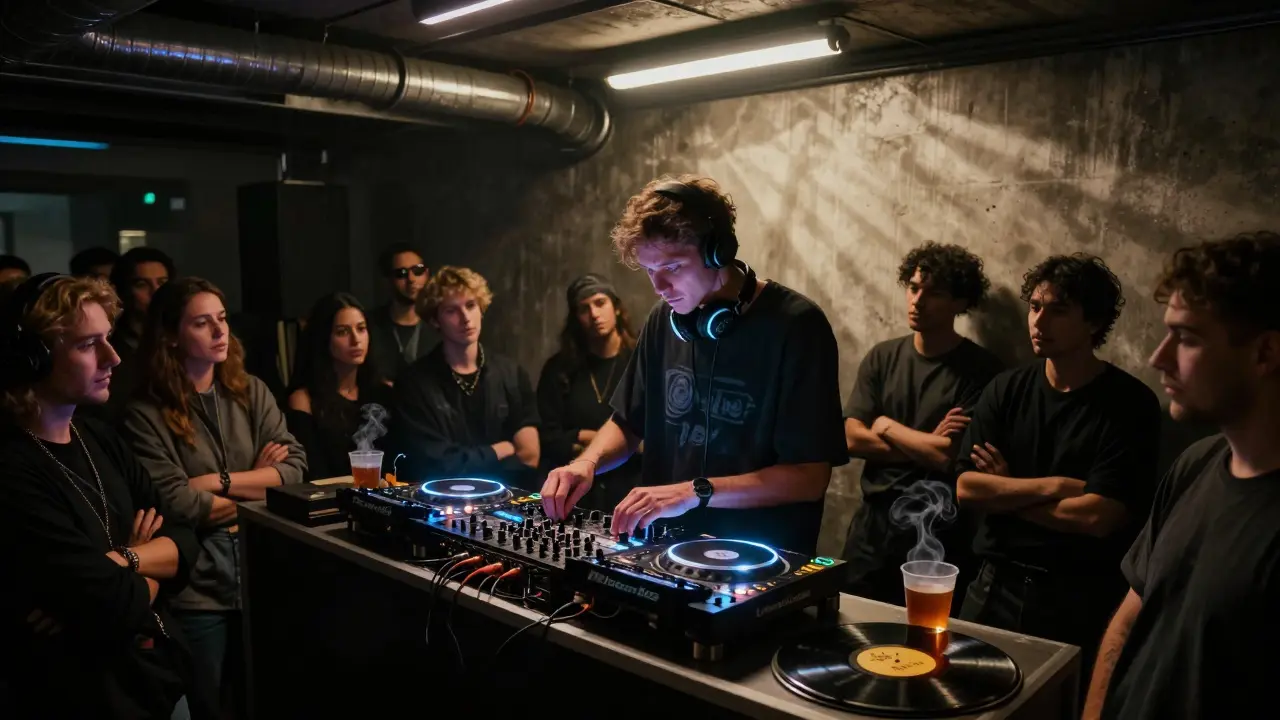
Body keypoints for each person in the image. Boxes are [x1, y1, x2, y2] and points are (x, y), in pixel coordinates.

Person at [540, 175, 847, 555]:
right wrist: (586, 463)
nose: (660, 287)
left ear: (717, 251)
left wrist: (694, 492)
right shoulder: (663, 319)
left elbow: (809, 478)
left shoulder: (797, 326)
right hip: (664, 550)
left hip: (756, 558)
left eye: (672, 267)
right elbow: (629, 422)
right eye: (650, 271)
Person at [1083, 232, 1280, 720]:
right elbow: (1131, 618)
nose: (1158, 357)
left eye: (1187, 338)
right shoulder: (1197, 462)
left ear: (1266, 353)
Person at [954, 253, 1162, 687]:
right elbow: (969, 488)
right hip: (993, 587)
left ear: (1093, 322)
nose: (1039, 320)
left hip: (1076, 597)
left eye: (1058, 310)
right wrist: (1053, 486)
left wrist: (1007, 493)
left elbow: (1096, 517)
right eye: (1035, 306)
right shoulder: (1007, 388)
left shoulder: (1129, 405)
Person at [0, 273, 202, 719]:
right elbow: (108, 605)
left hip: (156, 679)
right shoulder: (11, 467)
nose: (113, 358)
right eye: (88, 345)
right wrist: (142, 558)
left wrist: (118, 564)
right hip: (78, 697)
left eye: (108, 339)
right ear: (34, 358)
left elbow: (187, 540)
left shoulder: (99, 437)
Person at [122, 277, 306, 717]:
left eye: (222, 320)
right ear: (171, 335)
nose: (220, 332)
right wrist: (258, 485)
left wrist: (216, 481)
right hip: (198, 590)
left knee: (268, 698)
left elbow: (295, 470)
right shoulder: (145, 413)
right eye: (202, 323)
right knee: (210, 704)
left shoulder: (250, 390)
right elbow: (176, 502)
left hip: (261, 576)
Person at [842, 242, 1003, 605]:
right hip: (873, 526)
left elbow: (948, 456)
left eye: (935, 293)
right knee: (852, 628)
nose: (918, 300)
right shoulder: (883, 357)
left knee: (924, 640)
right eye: (914, 288)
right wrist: (923, 444)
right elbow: (851, 439)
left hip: (938, 526)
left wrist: (886, 426)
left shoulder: (981, 370)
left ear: (961, 303)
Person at [390, 266, 539, 485]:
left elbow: (529, 456)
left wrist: (465, 461)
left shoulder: (510, 373)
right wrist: (499, 450)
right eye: (451, 311)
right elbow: (434, 464)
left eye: (471, 305)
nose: (465, 318)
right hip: (442, 503)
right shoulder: (414, 383)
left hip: (506, 500)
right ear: (434, 320)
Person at [538, 274, 641, 510]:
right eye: (584, 308)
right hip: (579, 497)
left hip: (632, 492)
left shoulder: (639, 361)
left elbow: (652, 439)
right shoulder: (560, 369)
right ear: (576, 318)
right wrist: (622, 444)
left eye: (600, 303)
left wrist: (581, 436)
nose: (594, 314)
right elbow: (549, 439)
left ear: (616, 307)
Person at [287, 292, 394, 481]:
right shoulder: (305, 400)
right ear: (324, 338)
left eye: (361, 329)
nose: (356, 340)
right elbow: (313, 473)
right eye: (342, 332)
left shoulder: (382, 392)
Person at [95, 247, 175, 421]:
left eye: (162, 283)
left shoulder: (182, 341)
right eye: (142, 284)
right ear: (122, 291)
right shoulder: (110, 348)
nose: (156, 292)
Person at [368, 243, 439, 383]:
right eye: (401, 274)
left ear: (427, 274)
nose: (411, 279)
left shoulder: (440, 325)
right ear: (387, 280)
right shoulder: (368, 325)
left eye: (417, 271)